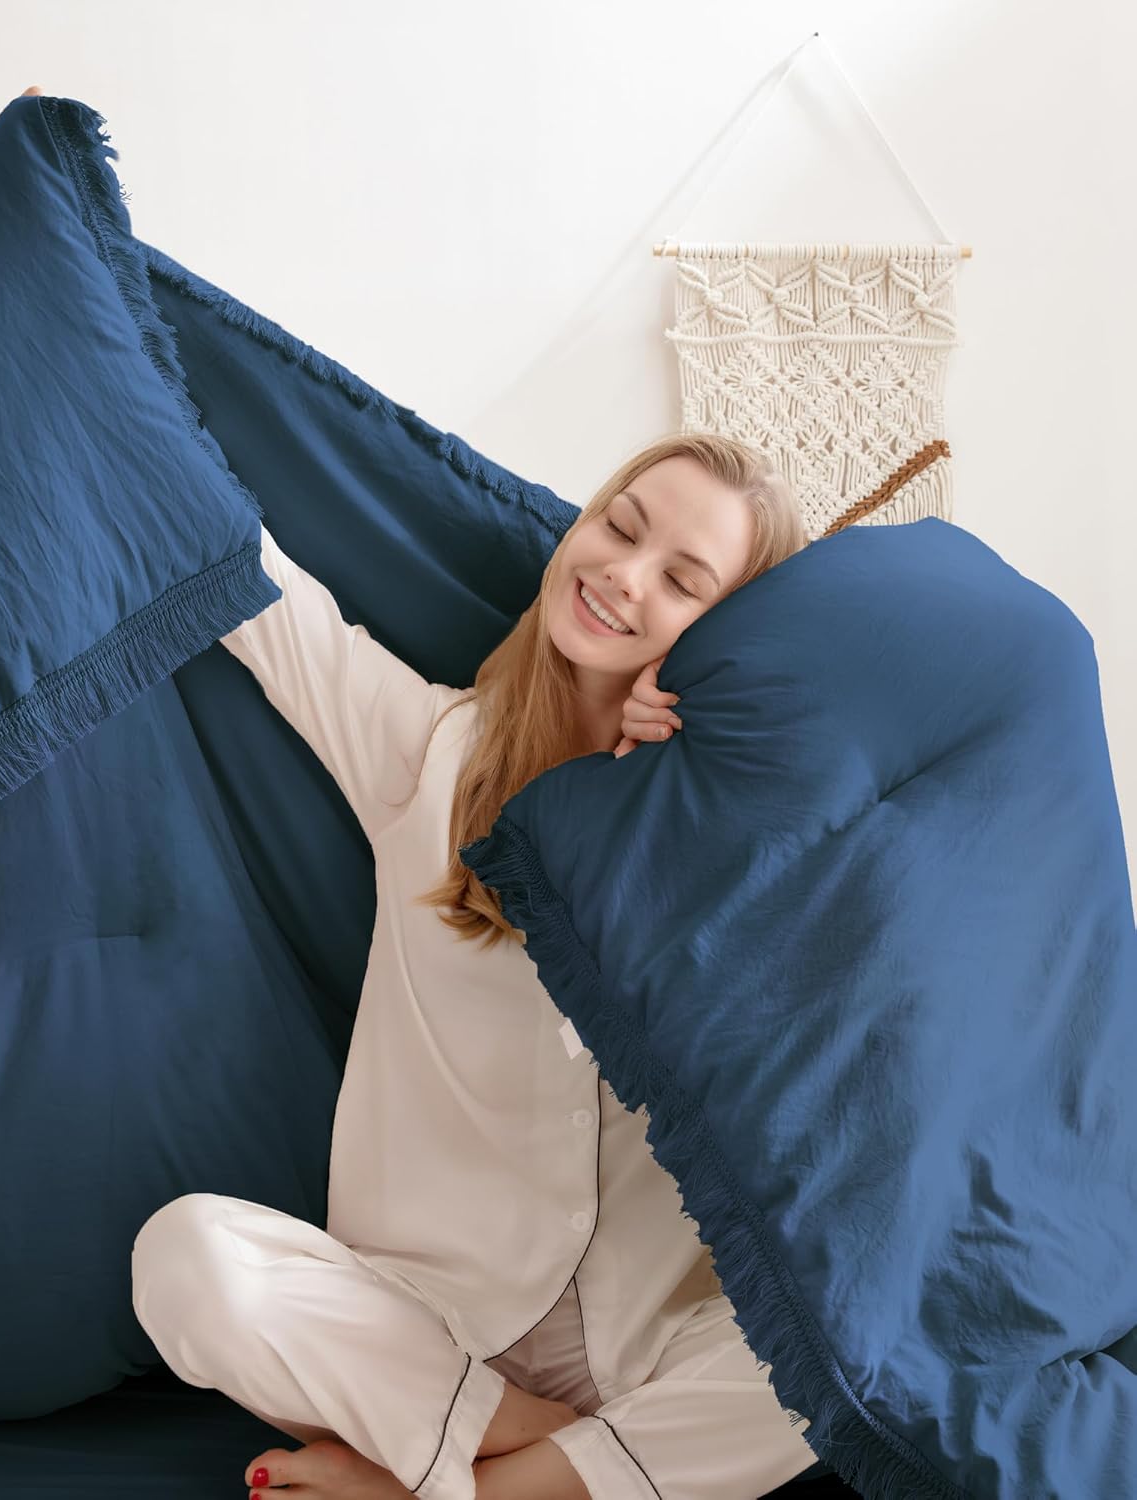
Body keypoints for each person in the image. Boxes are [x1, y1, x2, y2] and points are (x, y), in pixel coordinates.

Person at [130, 428, 822, 1500]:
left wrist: (690, 779)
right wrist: (100, 381)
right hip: (420, 1322)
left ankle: (437, 1485)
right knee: (189, 1261)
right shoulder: (428, 752)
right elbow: (251, 586)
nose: (624, 575)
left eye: (683, 582)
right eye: (619, 527)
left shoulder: (749, 839)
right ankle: (538, 1452)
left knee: (843, 1349)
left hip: (647, 1337)